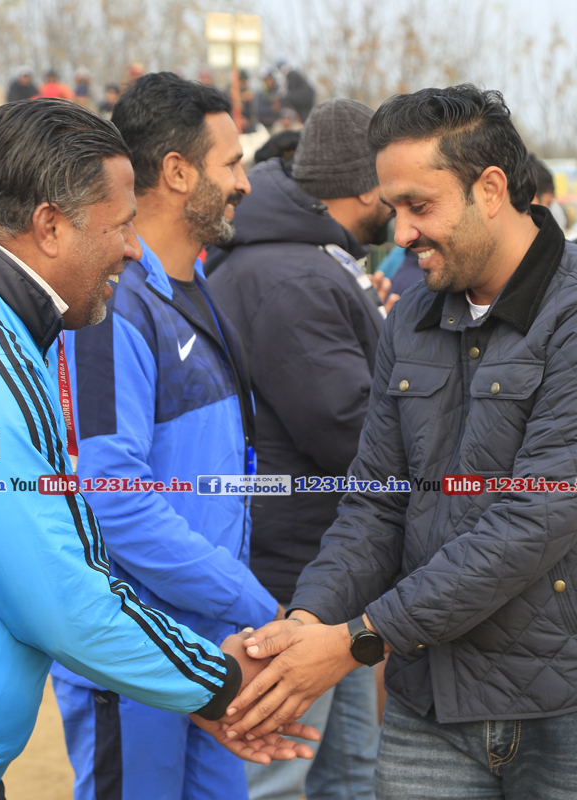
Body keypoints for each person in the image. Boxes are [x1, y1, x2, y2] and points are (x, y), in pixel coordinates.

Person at [0, 99, 318, 800]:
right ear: (49, 226)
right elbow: (63, 598)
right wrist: (218, 684)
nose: (132, 249)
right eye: (120, 225)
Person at [225, 84, 577, 799]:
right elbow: (374, 503)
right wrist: (306, 622)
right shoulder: (414, 318)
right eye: (393, 206)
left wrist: (356, 640)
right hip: (431, 699)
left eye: (419, 205)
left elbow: (533, 521)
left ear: (490, 189)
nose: (400, 232)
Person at [47, 73, 282, 800]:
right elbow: (111, 498)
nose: (244, 182)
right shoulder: (111, 304)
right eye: (231, 163)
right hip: (135, 653)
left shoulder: (194, 290)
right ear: (179, 172)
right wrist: (254, 602)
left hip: (209, 646)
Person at [208, 98, 392, 800]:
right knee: (279, 776)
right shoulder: (291, 275)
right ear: (368, 186)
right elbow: (347, 426)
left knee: (349, 772)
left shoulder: (300, 260)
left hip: (320, 570)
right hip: (292, 576)